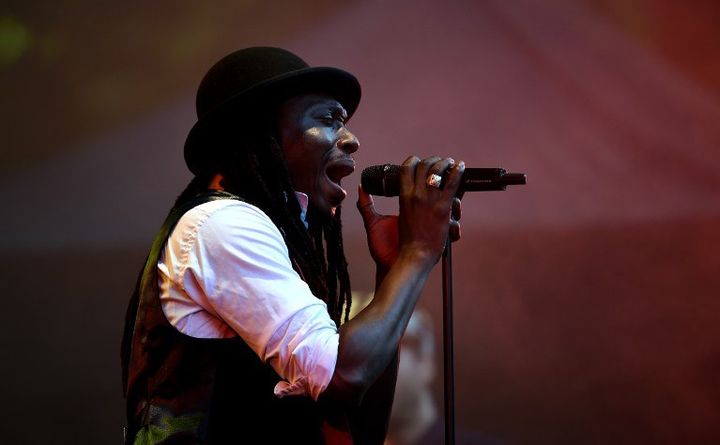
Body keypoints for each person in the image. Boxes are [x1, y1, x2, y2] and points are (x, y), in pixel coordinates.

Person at [121, 46, 463, 444]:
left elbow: (361, 427)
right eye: (327, 119)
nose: (351, 139)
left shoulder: (262, 239)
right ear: (261, 132)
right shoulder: (222, 225)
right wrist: (417, 252)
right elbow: (344, 377)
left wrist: (391, 270)